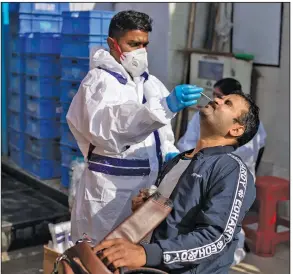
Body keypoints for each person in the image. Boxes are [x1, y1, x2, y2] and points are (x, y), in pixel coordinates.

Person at [66, 10, 203, 244]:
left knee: (137, 257)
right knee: (101, 257)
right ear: (113, 43)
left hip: (145, 193)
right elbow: (110, 130)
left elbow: (161, 133)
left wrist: (169, 154)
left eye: (145, 45)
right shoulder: (99, 82)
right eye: (133, 44)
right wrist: (165, 106)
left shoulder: (151, 83)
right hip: (110, 193)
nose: (141, 51)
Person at [95, 90, 259, 274]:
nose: (218, 100)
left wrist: (147, 254)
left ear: (236, 129)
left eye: (227, 103)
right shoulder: (179, 160)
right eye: (220, 97)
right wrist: (146, 209)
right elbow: (174, 218)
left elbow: (216, 238)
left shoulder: (231, 169)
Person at [177, 78, 267, 180]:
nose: (214, 99)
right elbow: (186, 145)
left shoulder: (226, 174)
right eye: (214, 95)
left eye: (226, 102)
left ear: (236, 129)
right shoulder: (202, 117)